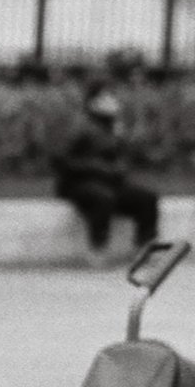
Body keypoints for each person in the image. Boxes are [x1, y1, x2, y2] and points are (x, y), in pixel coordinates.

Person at [53, 82, 160, 258]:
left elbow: (123, 157)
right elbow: (60, 160)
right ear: (93, 102)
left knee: (147, 199)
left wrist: (122, 162)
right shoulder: (79, 126)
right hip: (79, 184)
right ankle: (97, 249)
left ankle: (144, 248)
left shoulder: (114, 128)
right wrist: (96, 167)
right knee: (104, 198)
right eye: (105, 97)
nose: (111, 101)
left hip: (110, 183)